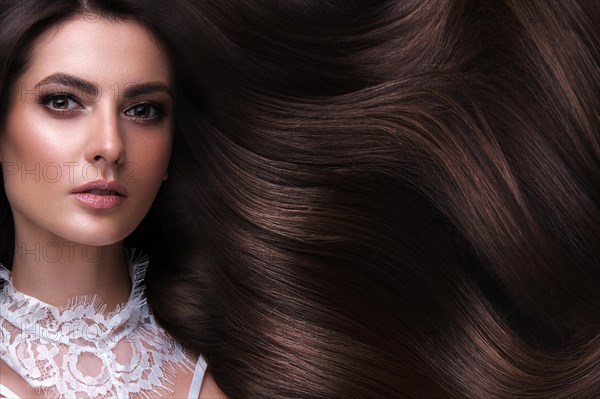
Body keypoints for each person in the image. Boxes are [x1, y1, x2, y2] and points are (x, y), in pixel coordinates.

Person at [0, 1, 225, 397]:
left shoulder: (231, 366)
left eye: (142, 110)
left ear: (172, 148)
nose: (110, 146)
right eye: (62, 101)